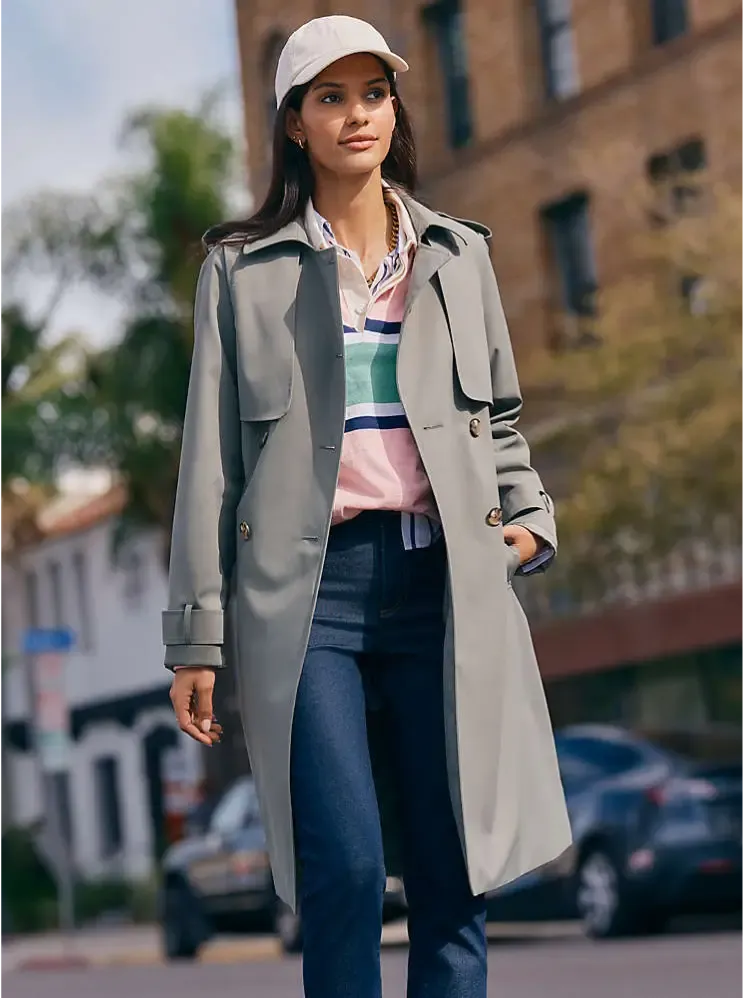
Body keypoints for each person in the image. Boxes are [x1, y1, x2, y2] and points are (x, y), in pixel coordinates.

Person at [163, 14, 571, 998]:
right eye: (332, 97)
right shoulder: (241, 272)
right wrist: (196, 639)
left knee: (455, 873)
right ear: (293, 123)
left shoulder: (458, 255)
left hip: (445, 584)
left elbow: (499, 419)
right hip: (311, 599)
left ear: (394, 109)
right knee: (345, 869)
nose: (358, 115)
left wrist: (529, 524)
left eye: (374, 94)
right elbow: (210, 463)